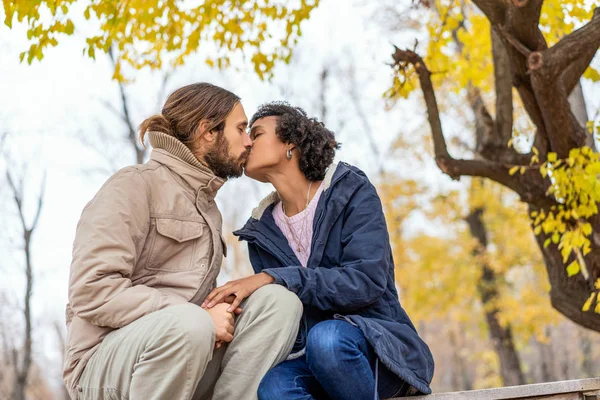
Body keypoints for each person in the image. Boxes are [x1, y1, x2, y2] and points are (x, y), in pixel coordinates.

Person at [63, 84, 302, 400]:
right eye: (241, 128)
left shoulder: (208, 209)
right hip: (102, 365)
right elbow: (91, 290)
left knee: (279, 303)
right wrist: (199, 317)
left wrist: (220, 310)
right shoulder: (134, 185)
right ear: (207, 131)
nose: (248, 141)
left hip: (184, 348)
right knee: (190, 323)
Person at [203, 102, 435, 399]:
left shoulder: (350, 191)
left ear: (290, 142)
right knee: (273, 388)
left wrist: (274, 278)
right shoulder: (260, 231)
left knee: (326, 341)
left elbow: (366, 281)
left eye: (257, 133)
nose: (246, 141)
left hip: (377, 350)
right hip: (310, 358)